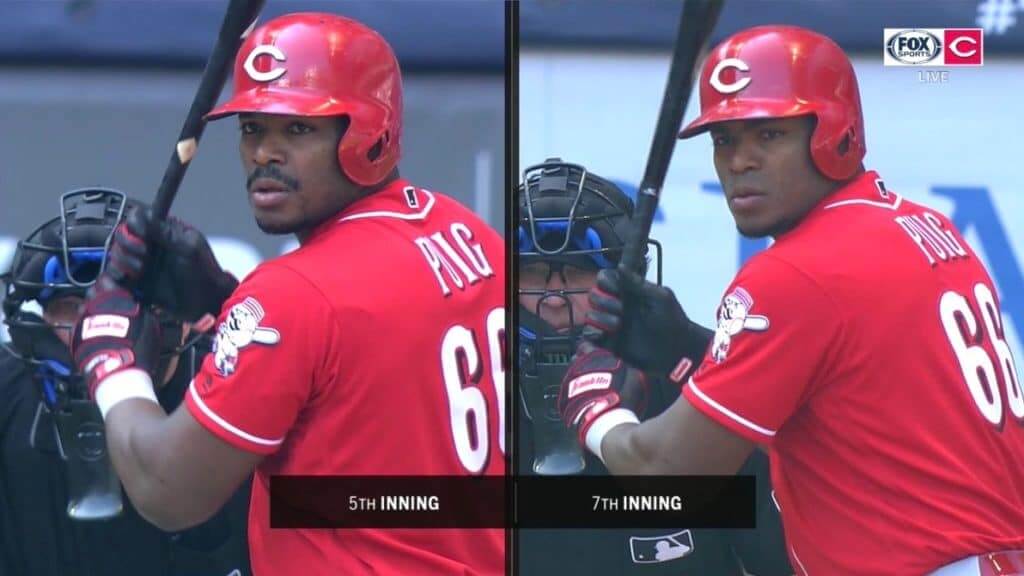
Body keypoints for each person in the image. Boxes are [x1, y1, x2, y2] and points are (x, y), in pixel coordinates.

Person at [556, 25, 1024, 576]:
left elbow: (666, 471)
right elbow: (843, 410)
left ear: (834, 133)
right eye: (724, 139)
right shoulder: (927, 227)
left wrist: (593, 411)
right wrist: (688, 350)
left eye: (768, 135)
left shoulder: (794, 275)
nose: (739, 162)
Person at [66, 13, 505, 576]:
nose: (264, 154)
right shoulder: (464, 228)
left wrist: (110, 361)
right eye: (252, 128)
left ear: (370, 131)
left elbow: (168, 490)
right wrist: (225, 299)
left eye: (297, 129)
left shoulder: (295, 296)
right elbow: (351, 366)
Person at [517, 159, 792, 576]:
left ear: (626, 282)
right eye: (533, 273)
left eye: (577, 271)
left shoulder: (701, 388)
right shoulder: (471, 400)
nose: (554, 297)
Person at [0, 187, 251, 576]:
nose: (97, 329)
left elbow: (369, 503)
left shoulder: (246, 391)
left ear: (186, 322)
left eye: (123, 306)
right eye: (72, 307)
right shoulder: (8, 394)